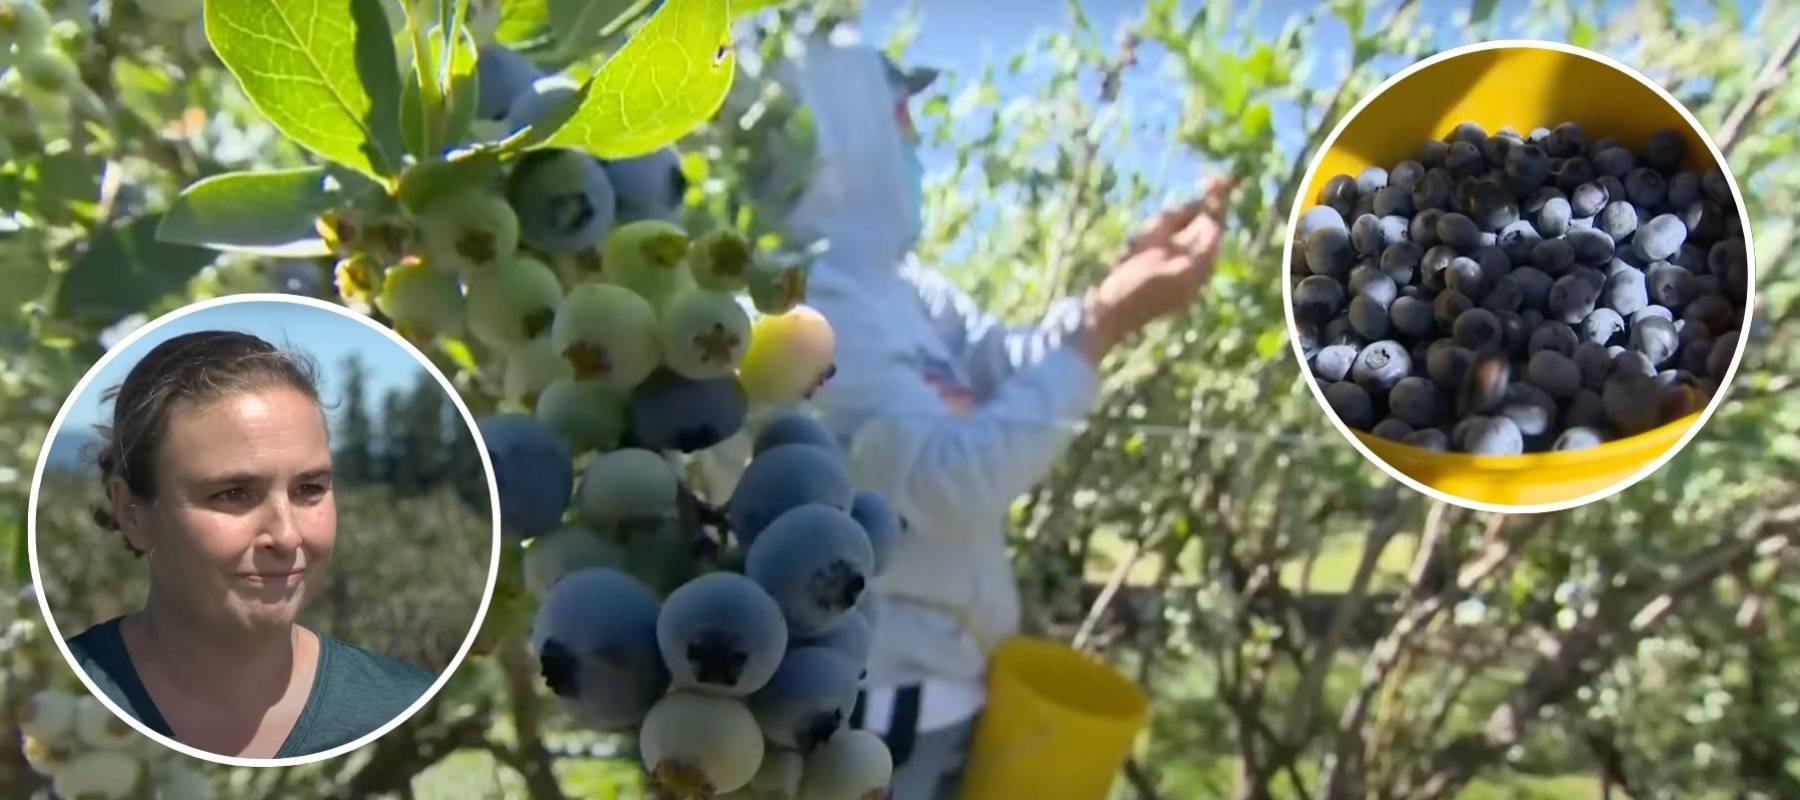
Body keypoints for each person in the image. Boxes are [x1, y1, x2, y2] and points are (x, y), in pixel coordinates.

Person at [774, 34, 1234, 799]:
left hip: (944, 688)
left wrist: (1112, 293)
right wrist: (1105, 326)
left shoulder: (902, 289)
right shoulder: (805, 306)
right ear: (841, 125)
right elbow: (948, 484)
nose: (913, 142)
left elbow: (1007, 363)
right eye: (898, 117)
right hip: (877, 708)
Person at [64, 330, 435, 759]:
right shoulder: (57, 709)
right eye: (233, 494)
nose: (287, 535)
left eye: (309, 489)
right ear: (133, 514)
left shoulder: (405, 710)